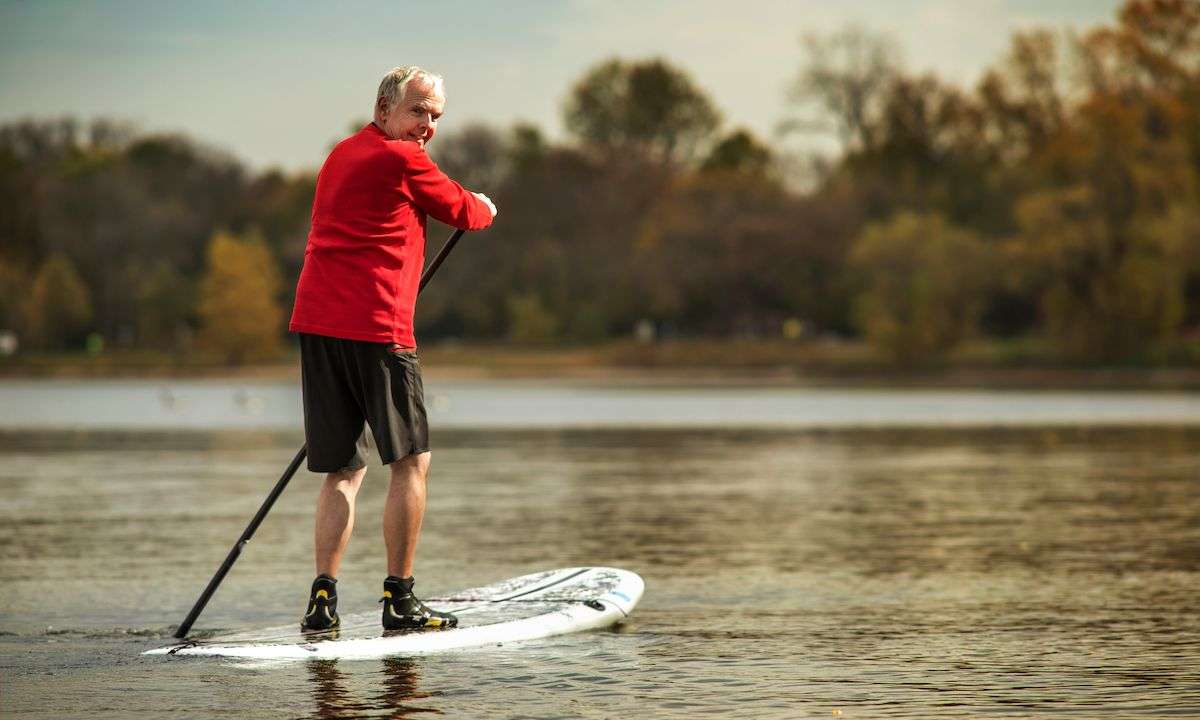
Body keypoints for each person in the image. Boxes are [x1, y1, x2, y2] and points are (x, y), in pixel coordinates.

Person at [288, 66, 496, 632]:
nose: (427, 126)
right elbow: (466, 213)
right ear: (384, 109)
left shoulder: (339, 155)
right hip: (378, 326)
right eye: (418, 111)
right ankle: (399, 600)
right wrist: (482, 203)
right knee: (411, 462)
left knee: (342, 471)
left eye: (435, 117)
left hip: (318, 324)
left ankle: (322, 602)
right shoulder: (403, 159)